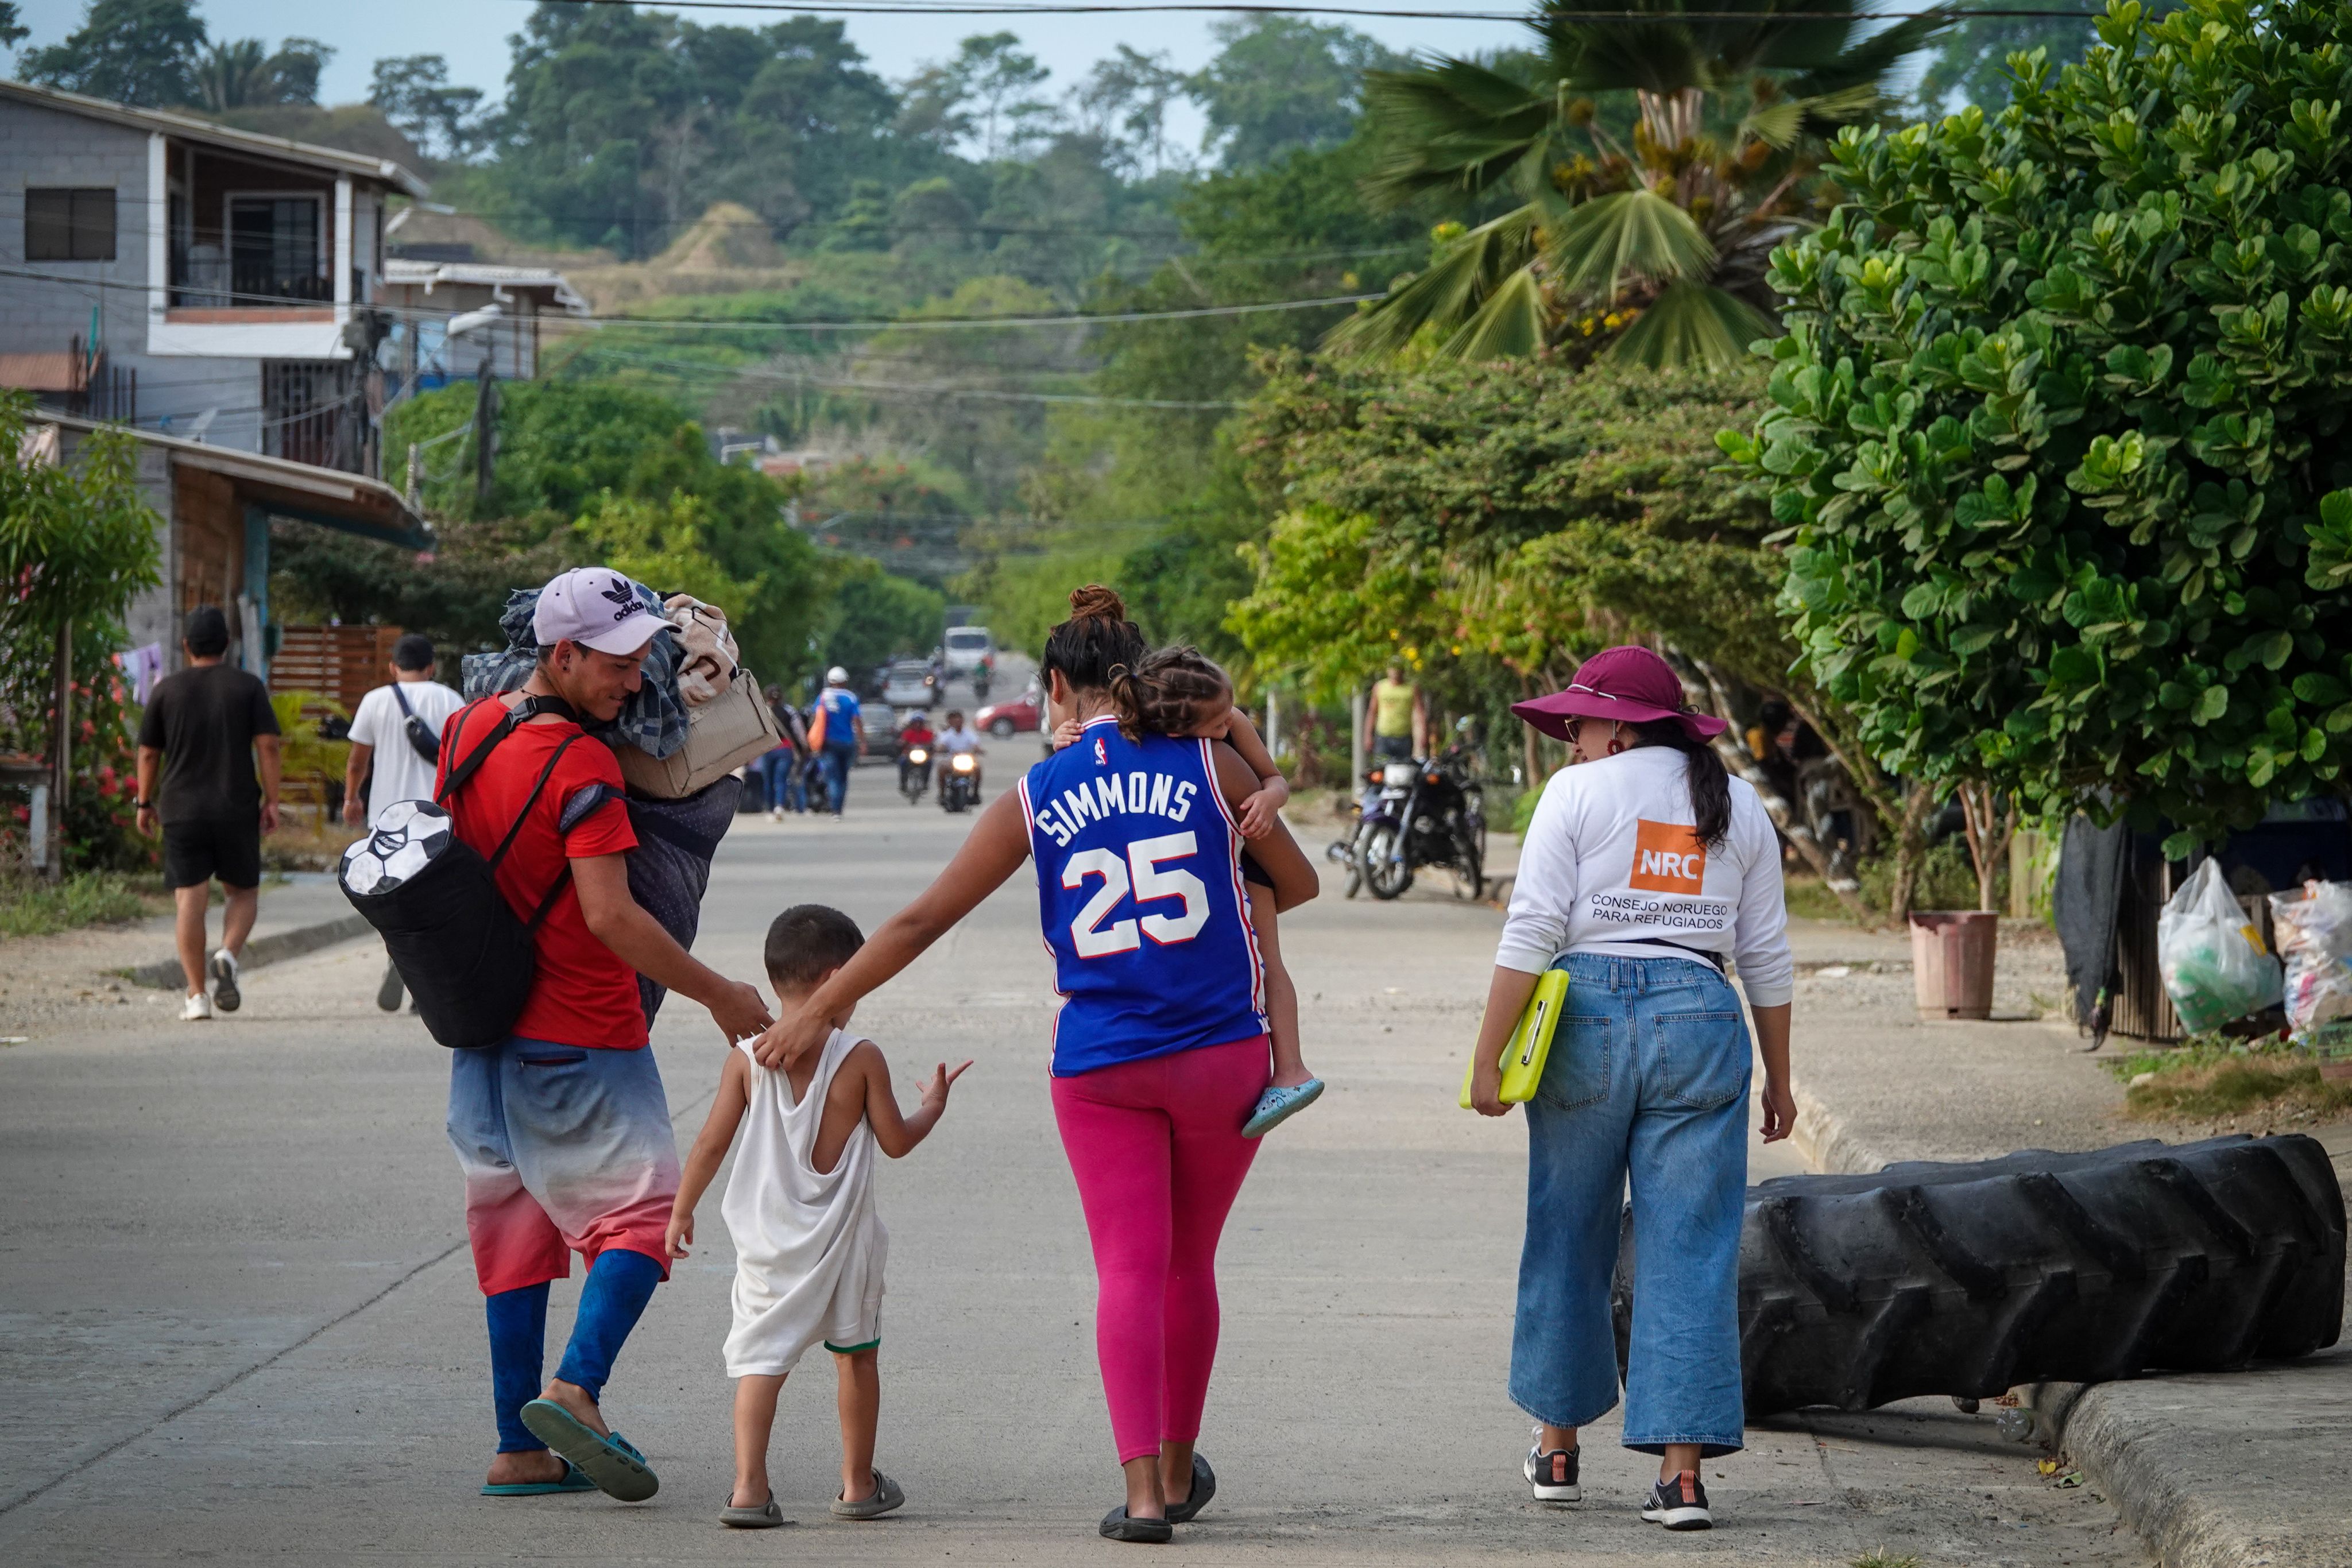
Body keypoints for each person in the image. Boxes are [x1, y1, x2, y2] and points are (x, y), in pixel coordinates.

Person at [751, 586, 1319, 1542]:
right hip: (1227, 1051)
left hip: (1102, 1065)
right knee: (1190, 1264)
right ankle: (1180, 1473)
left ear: (1055, 685)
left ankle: (1141, 1500)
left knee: (1130, 1269)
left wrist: (820, 1012)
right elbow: (1294, 887)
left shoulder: (1036, 794)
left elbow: (923, 919)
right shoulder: (1209, 759)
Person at [439, 567, 774, 1504]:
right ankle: (577, 1389)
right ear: (564, 654)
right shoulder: (584, 768)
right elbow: (611, 919)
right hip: (582, 1029)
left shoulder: (471, 730)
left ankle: (517, 1447)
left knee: (511, 1227)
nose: (638, 682)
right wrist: (717, 993)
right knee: (642, 1219)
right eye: (621, 665)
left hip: (482, 1032)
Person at [1465, 645, 1794, 1532]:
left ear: (1620, 726)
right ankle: (1682, 1478)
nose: (1569, 736)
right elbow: (1763, 953)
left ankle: (1559, 1445)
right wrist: (1782, 1079)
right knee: (1690, 1245)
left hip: (1586, 1019)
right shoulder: (1741, 805)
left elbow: (1533, 924)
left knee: (1567, 1227)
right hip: (1702, 1015)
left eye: (1578, 722)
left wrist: (1488, 1053)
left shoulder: (1576, 794)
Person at [666, 904, 970, 1529]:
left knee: (760, 1361)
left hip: (768, 1247)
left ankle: (749, 1488)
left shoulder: (746, 1058)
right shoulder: (860, 1057)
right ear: (839, 977)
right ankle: (858, 1485)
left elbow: (709, 1145)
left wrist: (682, 1208)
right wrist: (933, 1106)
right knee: (856, 1354)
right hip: (846, 1246)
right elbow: (895, 1140)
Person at [1053, 647, 1322, 1137]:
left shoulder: (1228, 725)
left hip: (1243, 854)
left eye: (1228, 715)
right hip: (1192, 861)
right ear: (1175, 730)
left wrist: (1268, 796)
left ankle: (1291, 1070)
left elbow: (1275, 777)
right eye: (1215, 725)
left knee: (1268, 960)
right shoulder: (1164, 742)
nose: (1226, 728)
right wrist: (1064, 738)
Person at [134, 605, 281, 1023]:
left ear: (185, 646)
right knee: (244, 893)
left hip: (181, 807)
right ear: (228, 644)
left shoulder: (166, 690)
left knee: (189, 900)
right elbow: (268, 746)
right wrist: (272, 801)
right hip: (235, 804)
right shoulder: (248, 686)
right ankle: (228, 956)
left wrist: (144, 802)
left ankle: (197, 996)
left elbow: (148, 752)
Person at [344, 633, 466, 1012]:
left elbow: (357, 759)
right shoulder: (450, 699)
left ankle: (399, 956)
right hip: (436, 815)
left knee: (393, 900)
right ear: (431, 667)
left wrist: (352, 798)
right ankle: (426, 984)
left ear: (393, 667)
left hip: (387, 819)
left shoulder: (375, 701)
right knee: (435, 899)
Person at [811, 667, 863, 820]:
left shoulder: (822, 697)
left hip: (828, 743)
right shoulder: (851, 698)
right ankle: (839, 809)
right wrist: (862, 741)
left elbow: (816, 718)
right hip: (847, 743)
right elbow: (857, 721)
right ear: (845, 681)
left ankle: (834, 810)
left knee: (832, 777)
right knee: (843, 777)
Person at [759, 683, 806, 820]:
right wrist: (804, 746)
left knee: (768, 780)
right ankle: (779, 806)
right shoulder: (790, 711)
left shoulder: (761, 711)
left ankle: (769, 808)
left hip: (767, 749)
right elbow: (799, 731)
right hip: (785, 749)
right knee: (781, 779)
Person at [1370, 661, 1427, 762]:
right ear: (1388, 670)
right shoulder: (1380, 687)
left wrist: (1422, 735)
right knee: (1381, 771)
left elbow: (1419, 713)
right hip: (1383, 737)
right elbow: (1372, 711)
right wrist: (1368, 735)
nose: (1395, 672)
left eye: (1398, 668)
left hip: (1404, 737)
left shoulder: (1411, 688)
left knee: (1404, 770)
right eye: (1392, 668)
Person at [934, 707, 980, 791]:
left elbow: (975, 745)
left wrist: (978, 750)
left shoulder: (969, 733)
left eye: (959, 719)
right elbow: (942, 746)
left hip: (967, 759)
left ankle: (976, 793)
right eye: (955, 719)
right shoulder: (948, 734)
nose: (958, 721)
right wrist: (939, 750)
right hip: (951, 760)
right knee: (942, 769)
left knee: (978, 769)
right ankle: (942, 793)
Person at [897, 710, 936, 797]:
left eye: (919, 723)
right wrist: (902, 743)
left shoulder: (928, 733)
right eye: (916, 723)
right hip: (909, 755)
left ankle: (926, 783)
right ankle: (903, 783)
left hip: (923, 756)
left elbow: (932, 742)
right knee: (902, 762)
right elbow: (902, 742)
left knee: (929, 763)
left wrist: (930, 746)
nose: (917, 725)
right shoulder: (908, 733)